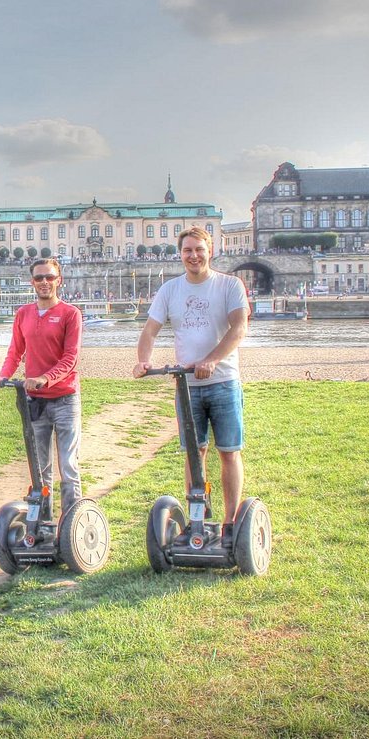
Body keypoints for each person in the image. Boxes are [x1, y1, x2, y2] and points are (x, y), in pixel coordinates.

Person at [133, 226, 249, 536]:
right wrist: (144, 360)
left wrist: (211, 359)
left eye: (199, 249)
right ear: (180, 254)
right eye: (187, 250)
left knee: (228, 451)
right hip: (187, 386)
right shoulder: (170, 290)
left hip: (224, 381)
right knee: (193, 452)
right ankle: (197, 515)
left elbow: (239, 329)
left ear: (210, 251)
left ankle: (230, 522)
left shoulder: (230, 285)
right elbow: (150, 330)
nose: (193, 255)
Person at [0, 257, 84, 520]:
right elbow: (15, 352)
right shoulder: (24, 314)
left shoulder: (70, 314)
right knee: (40, 468)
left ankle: (71, 523)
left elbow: (70, 358)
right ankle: (44, 521)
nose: (44, 282)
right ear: (32, 282)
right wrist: (2, 376)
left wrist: (45, 378)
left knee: (68, 466)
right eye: (39, 278)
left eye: (50, 277)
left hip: (65, 398)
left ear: (58, 280)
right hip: (35, 401)